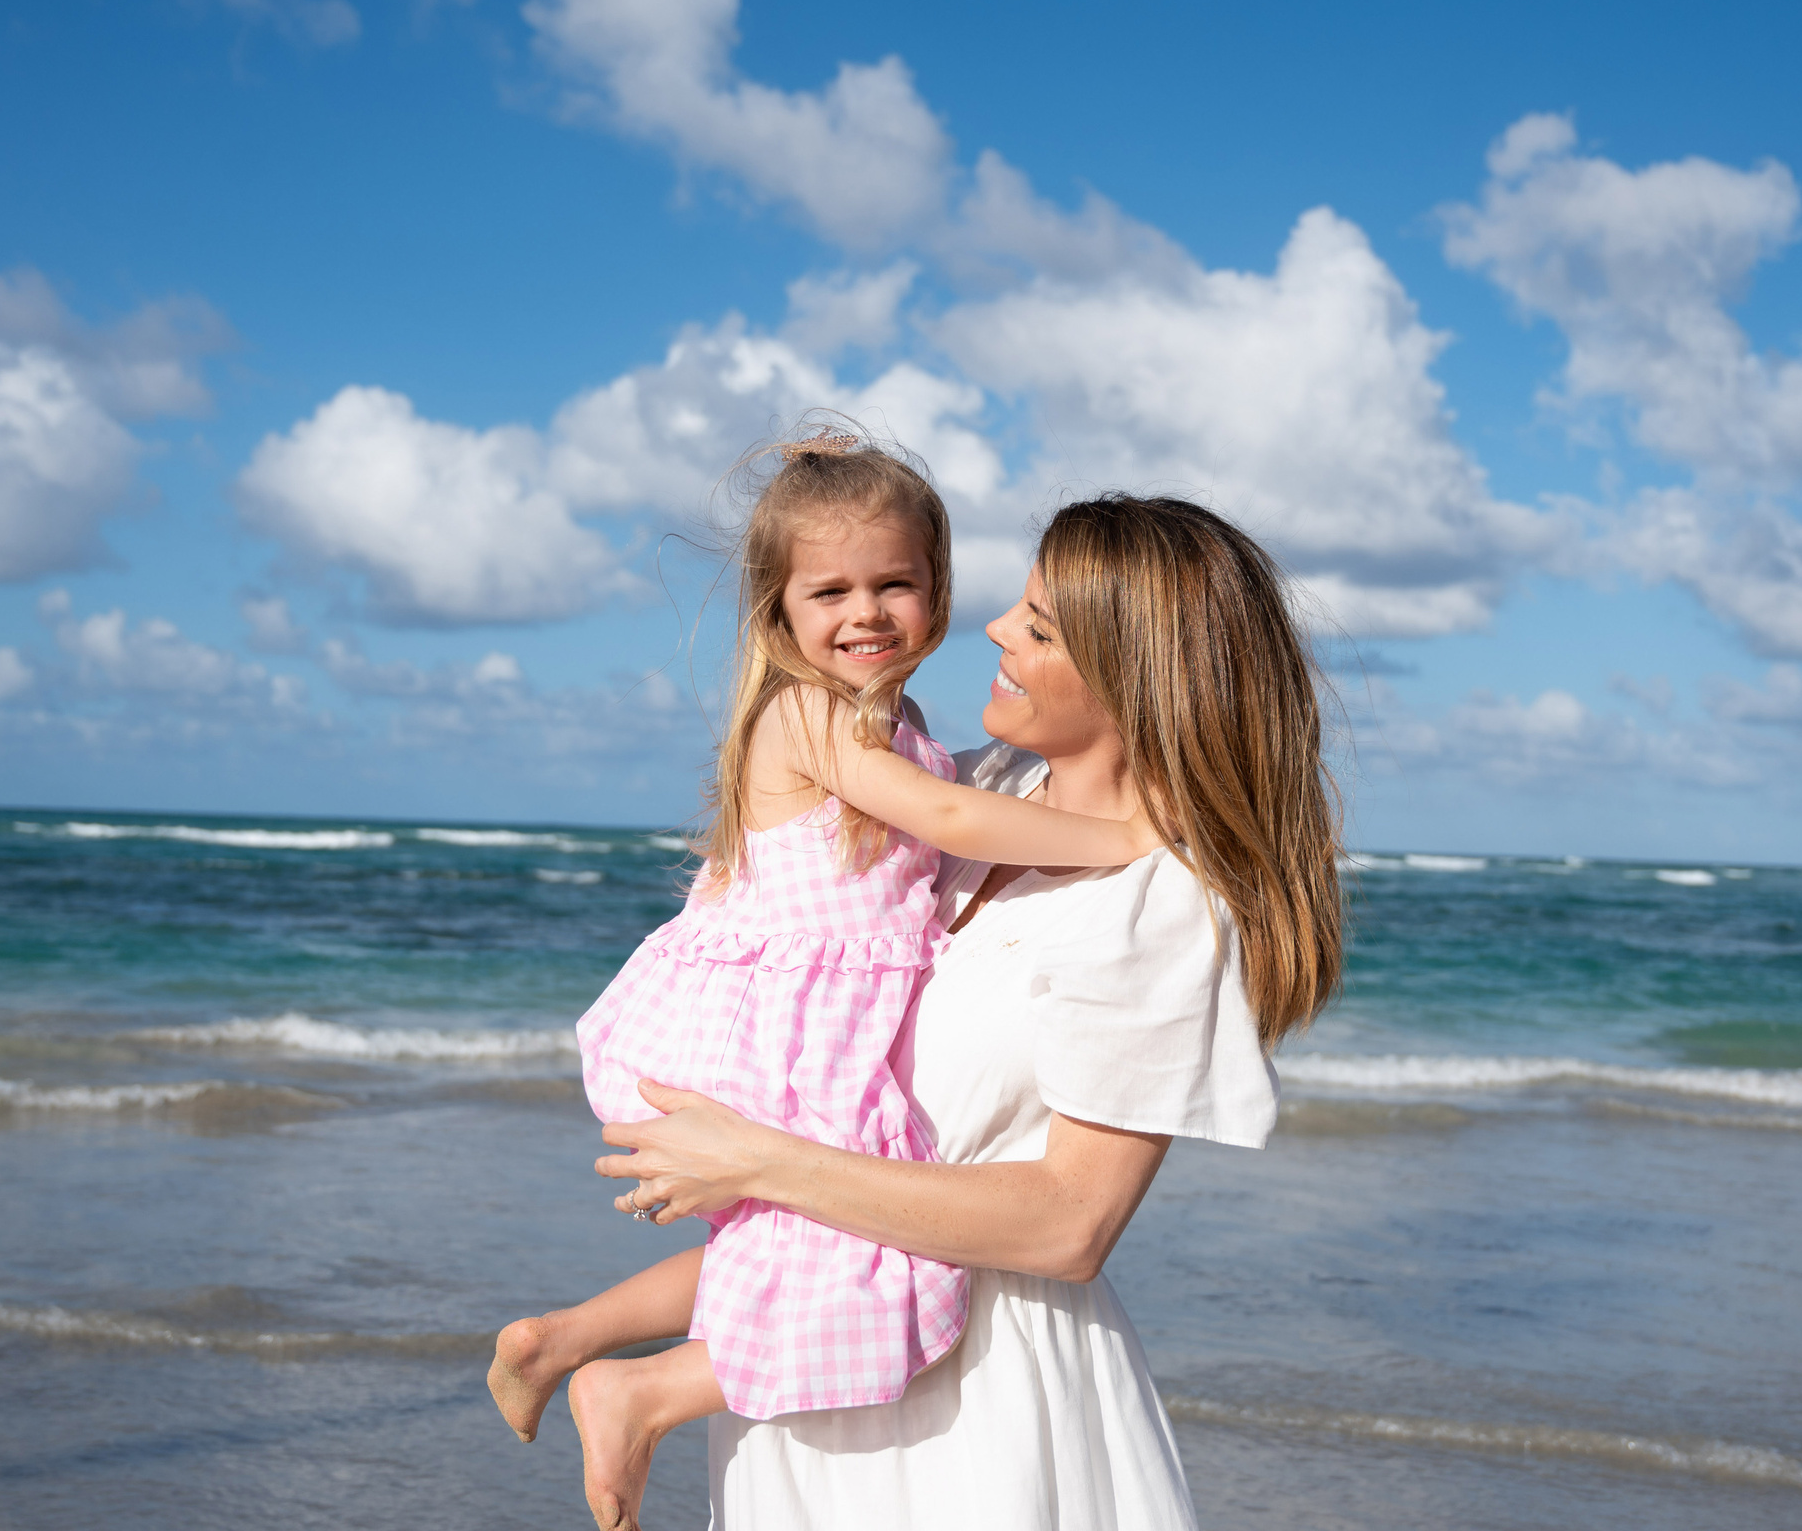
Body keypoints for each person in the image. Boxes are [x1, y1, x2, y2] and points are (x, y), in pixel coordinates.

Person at [572, 493, 1344, 1529]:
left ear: (1132, 671)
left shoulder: (1163, 899)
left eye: (1039, 625)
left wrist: (756, 1161)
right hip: (806, 1376)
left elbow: (1071, 1224)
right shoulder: (970, 792)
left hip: (978, 1411)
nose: (993, 629)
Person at [486, 431, 1165, 1530]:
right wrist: (1122, 836)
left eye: (894, 583)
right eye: (831, 590)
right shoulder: (806, 713)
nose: (866, 612)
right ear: (779, 610)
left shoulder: (903, 727)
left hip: (823, 1014)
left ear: (939, 593)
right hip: (782, 1022)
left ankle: (570, 1341)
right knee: (863, 1250)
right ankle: (641, 1389)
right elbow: (944, 822)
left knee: (786, 1242)